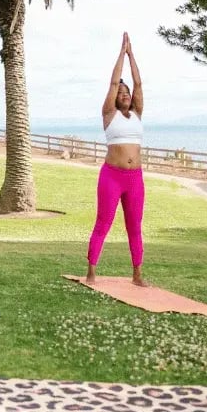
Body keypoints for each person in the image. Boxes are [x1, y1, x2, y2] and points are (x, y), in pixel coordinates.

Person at [85, 32, 147, 286]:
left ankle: (137, 275)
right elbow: (112, 84)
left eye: (126, 91)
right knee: (104, 223)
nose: (124, 93)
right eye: (120, 91)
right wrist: (121, 53)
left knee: (134, 226)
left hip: (135, 179)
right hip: (112, 176)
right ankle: (91, 271)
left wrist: (133, 55)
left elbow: (139, 84)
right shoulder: (109, 114)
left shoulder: (137, 113)